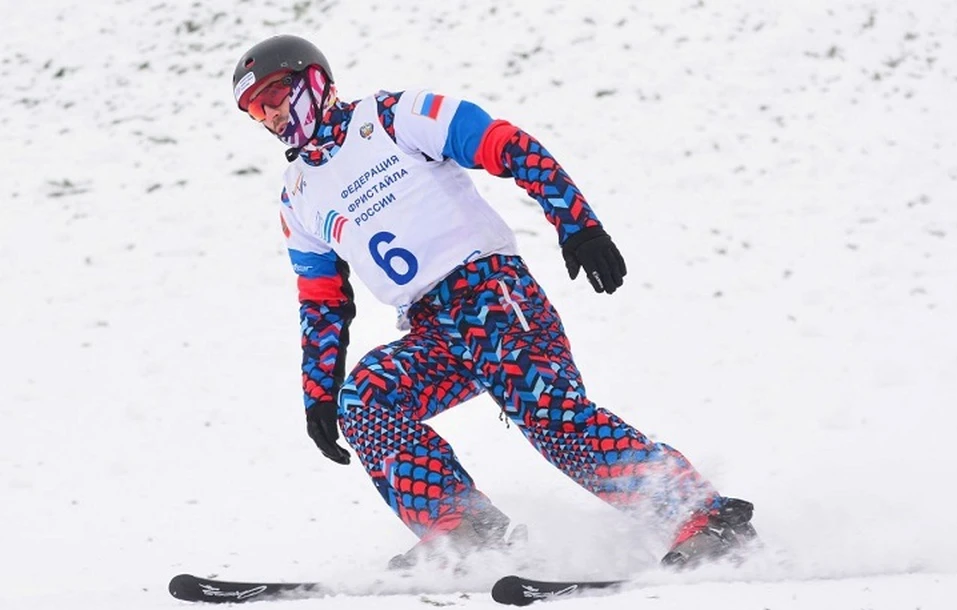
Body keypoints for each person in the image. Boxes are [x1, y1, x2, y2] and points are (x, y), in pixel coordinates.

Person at [231, 34, 756, 570]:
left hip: (493, 296)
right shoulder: (298, 194)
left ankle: (703, 517)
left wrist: (577, 225)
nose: (269, 113)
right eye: (255, 108)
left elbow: (506, 144)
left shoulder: (395, 116)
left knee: (552, 418)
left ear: (313, 81)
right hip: (431, 328)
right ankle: (466, 529)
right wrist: (318, 394)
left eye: (275, 94)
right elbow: (321, 300)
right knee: (366, 398)